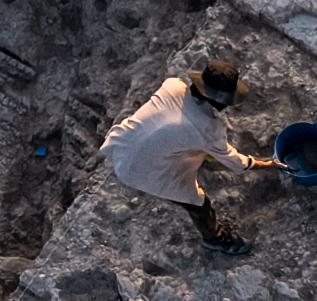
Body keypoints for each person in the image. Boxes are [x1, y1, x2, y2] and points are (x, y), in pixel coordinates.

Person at [103, 59, 273, 257]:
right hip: (137, 170)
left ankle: (203, 155)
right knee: (199, 201)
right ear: (221, 101)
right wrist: (267, 165)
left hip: (123, 144)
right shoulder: (208, 128)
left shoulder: (172, 85)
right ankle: (215, 239)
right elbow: (236, 162)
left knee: (195, 146)